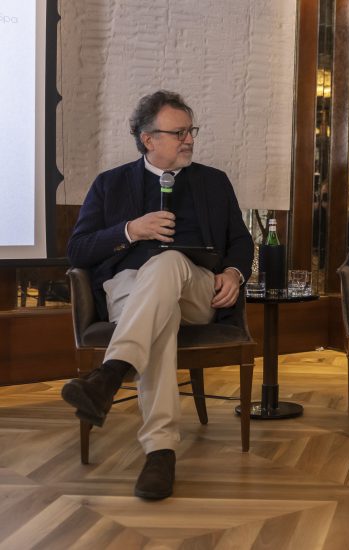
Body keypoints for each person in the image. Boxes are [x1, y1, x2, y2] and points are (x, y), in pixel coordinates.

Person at [61, 90, 253, 500]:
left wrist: (235, 273)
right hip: (130, 288)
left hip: (197, 288)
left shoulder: (213, 182)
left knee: (167, 265)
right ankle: (160, 452)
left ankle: (110, 374)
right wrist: (133, 230)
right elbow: (77, 250)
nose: (189, 140)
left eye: (191, 131)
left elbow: (241, 240)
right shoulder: (110, 184)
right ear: (148, 139)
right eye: (178, 132)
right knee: (158, 320)